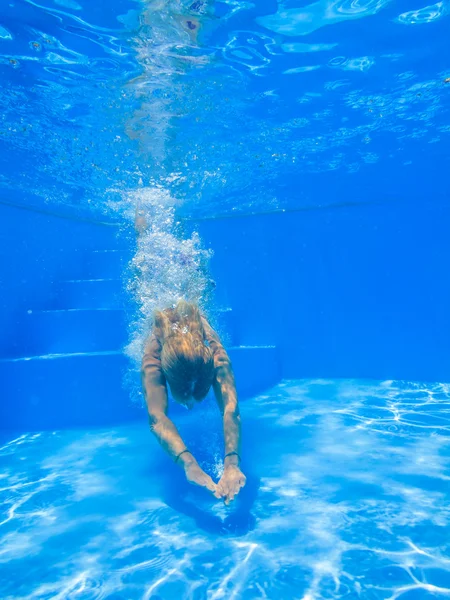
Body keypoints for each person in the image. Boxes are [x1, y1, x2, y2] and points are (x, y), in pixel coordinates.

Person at [141, 300, 246, 505]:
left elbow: (230, 408)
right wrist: (189, 464)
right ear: (166, 375)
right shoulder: (153, 355)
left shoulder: (214, 353)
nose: (190, 405)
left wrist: (232, 462)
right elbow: (156, 417)